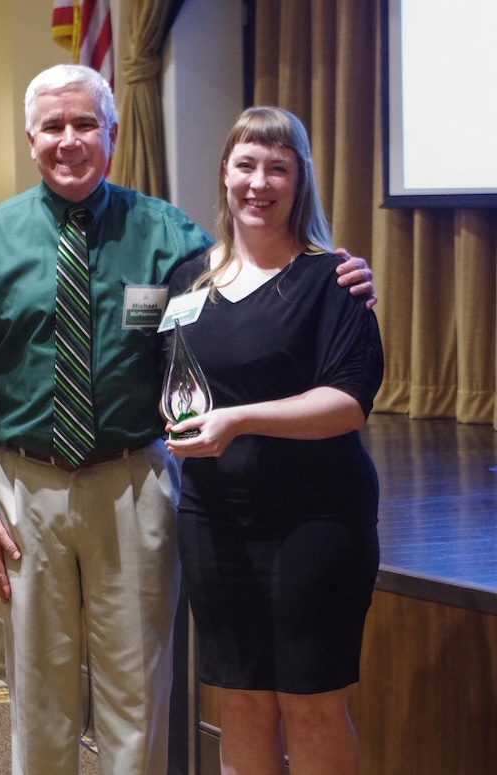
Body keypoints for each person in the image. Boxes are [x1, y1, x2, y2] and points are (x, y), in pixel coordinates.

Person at [0, 64, 376, 775]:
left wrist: (340, 271)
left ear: (111, 134)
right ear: (30, 137)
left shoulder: (169, 235)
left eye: (85, 124)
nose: (69, 140)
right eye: (54, 126)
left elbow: (252, 274)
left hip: (132, 482)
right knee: (39, 685)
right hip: (25, 487)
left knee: (138, 688)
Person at [163, 106, 384, 775]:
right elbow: (163, 372)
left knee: (312, 702)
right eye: (247, 164)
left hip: (315, 521)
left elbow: (348, 404)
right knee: (244, 700)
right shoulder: (184, 279)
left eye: (277, 168)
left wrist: (239, 419)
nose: (260, 182)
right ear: (225, 174)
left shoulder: (335, 278)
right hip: (215, 518)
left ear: (300, 180)